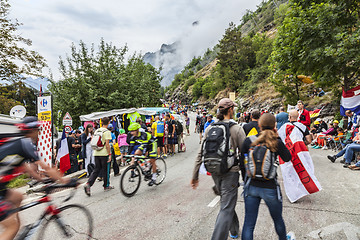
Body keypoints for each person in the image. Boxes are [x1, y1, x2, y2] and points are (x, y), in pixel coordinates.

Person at [0, 117, 71, 240]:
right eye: (38, 130)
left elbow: (28, 169)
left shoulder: (18, 143)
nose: (39, 133)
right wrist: (67, 181)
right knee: (13, 226)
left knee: (18, 197)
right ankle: (10, 229)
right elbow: (47, 168)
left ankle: (12, 231)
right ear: (32, 130)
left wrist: (42, 180)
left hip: (1, 187)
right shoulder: (25, 143)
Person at [191, 98, 246, 240]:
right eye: (233, 108)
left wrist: (195, 175)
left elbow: (200, 153)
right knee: (226, 207)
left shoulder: (210, 128)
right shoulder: (236, 129)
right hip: (231, 172)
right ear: (230, 110)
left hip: (214, 171)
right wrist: (248, 176)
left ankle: (234, 231)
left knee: (226, 202)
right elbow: (246, 153)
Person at [241, 113, 292, 240]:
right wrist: (277, 138)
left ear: (259, 125)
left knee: (249, 223)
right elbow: (287, 158)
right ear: (275, 125)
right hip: (270, 186)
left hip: (251, 186)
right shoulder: (276, 142)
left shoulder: (249, 141)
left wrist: (246, 180)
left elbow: (242, 163)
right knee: (278, 220)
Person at [84, 117, 114, 196]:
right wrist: (109, 154)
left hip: (96, 153)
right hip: (104, 153)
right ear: (108, 123)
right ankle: (106, 185)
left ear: (101, 122)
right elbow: (107, 144)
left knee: (96, 170)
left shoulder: (97, 130)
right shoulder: (107, 131)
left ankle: (88, 184)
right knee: (106, 170)